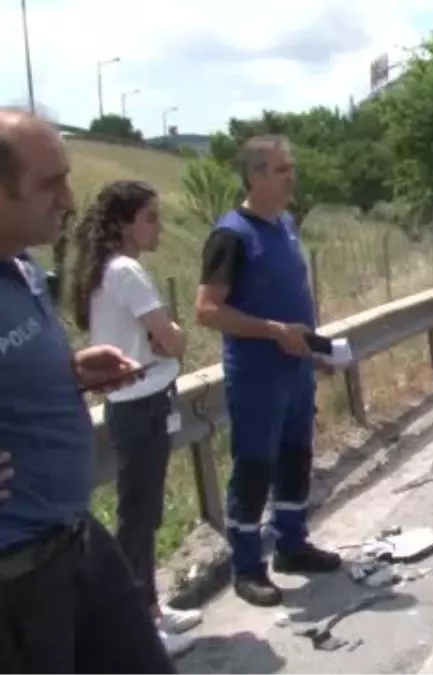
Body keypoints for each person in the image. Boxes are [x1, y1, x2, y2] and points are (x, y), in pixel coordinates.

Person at [0, 107, 178, 674]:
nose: (69, 197)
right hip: (19, 577)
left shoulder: (21, 269)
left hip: (76, 536)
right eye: (49, 182)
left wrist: (72, 372)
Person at [194, 134, 341, 608]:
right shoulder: (231, 235)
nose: (291, 177)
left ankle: (292, 545)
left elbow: (294, 294)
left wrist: (316, 349)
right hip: (257, 374)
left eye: (290, 168)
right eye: (282, 170)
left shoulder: (287, 225)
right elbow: (207, 310)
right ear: (256, 175)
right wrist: (273, 330)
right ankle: (247, 566)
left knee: (296, 458)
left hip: (295, 370)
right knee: (255, 468)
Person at [68, 179, 201, 657]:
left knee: (143, 514)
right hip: (141, 403)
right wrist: (174, 337)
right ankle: (142, 623)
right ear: (124, 224)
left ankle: (151, 609)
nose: (159, 227)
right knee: (139, 517)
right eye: (150, 218)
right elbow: (171, 339)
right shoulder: (126, 271)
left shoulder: (109, 269)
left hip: (140, 402)